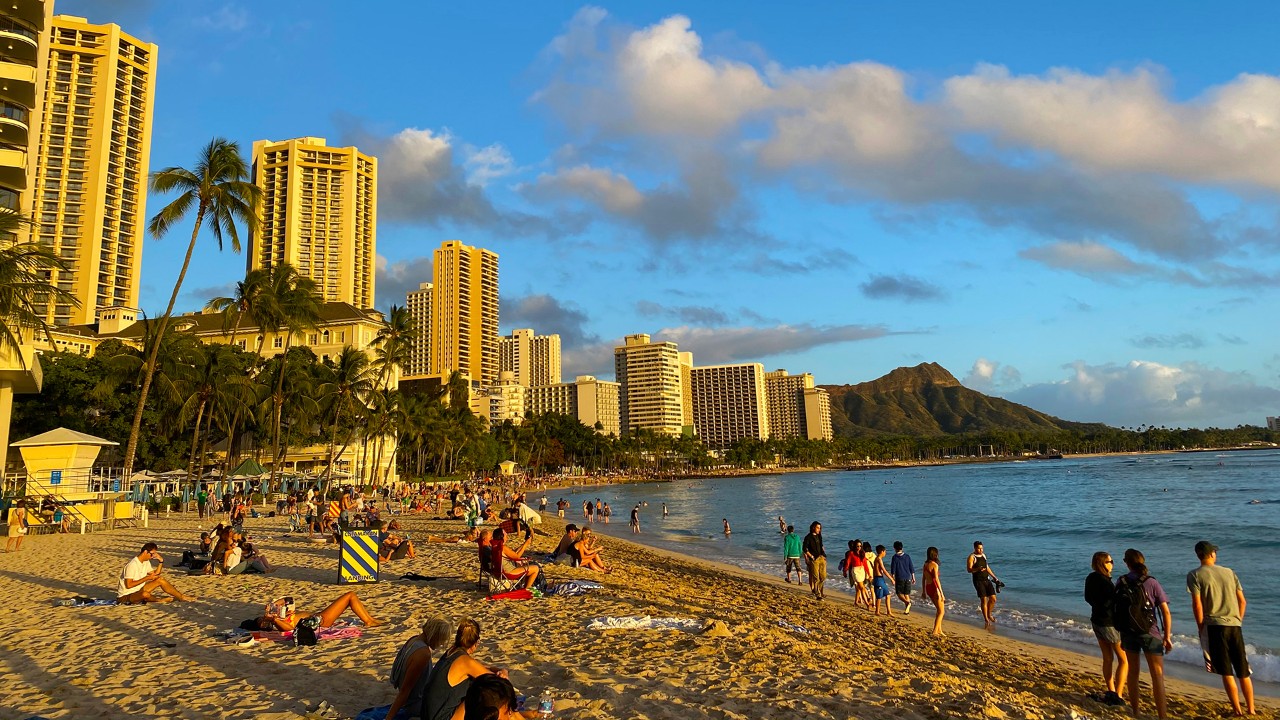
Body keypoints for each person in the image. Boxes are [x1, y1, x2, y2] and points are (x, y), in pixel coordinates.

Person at [1187, 540, 1255, 716]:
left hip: (1215, 626)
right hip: (1234, 624)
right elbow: (1242, 601)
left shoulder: (1195, 575)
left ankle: (1237, 711)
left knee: (1226, 671)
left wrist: (1200, 625)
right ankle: (1252, 709)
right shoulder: (1229, 572)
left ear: (1198, 555)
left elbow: (1197, 605)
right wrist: (1237, 618)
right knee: (1243, 670)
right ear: (1211, 554)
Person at [1117, 548, 1172, 720]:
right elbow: (1165, 611)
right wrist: (1167, 636)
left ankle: (1135, 712)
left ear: (1126, 562)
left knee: (1133, 672)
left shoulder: (1121, 581)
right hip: (1150, 631)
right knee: (1157, 675)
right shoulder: (1151, 582)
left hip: (1128, 631)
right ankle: (1162, 715)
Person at [421, 619, 508, 720]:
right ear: (476, 643)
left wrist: (500, 670)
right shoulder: (465, 662)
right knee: (486, 692)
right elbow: (498, 683)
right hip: (442, 717)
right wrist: (504, 672)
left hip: (427, 715)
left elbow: (481, 667)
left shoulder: (452, 652)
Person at [384, 617, 453, 720]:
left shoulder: (414, 639)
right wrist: (389, 718)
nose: (441, 644)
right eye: (441, 639)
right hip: (416, 705)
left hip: (413, 699)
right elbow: (405, 690)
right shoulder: (423, 654)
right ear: (435, 635)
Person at [1084, 551, 1127, 706]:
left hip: (1096, 620)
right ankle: (1118, 693)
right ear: (1104, 563)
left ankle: (1111, 689)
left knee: (1107, 657)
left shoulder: (1091, 577)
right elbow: (1113, 602)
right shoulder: (1106, 582)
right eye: (1110, 561)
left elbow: (1087, 598)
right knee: (1123, 659)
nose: (1112, 564)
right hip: (1109, 623)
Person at [258, 590, 383, 631]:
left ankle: (370, 619)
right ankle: (368, 621)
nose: (264, 618)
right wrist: (273, 620)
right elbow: (289, 629)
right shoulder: (279, 624)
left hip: (319, 617)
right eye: (262, 621)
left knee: (351, 596)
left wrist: (273, 604)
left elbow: (289, 599)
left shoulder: (279, 616)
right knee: (350, 596)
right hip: (320, 621)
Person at [118, 542, 195, 603]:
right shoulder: (132, 565)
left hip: (139, 590)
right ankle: (159, 600)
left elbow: (156, 574)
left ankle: (181, 597)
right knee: (145, 594)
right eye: (152, 554)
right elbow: (129, 585)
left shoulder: (145, 562)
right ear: (145, 552)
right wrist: (146, 578)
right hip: (126, 595)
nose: (152, 557)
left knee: (160, 580)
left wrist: (160, 561)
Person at [967, 540, 1000, 627]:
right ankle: (986, 619)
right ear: (975, 548)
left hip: (987, 579)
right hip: (978, 581)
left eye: (982, 548)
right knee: (983, 600)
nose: (981, 550)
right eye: (979, 549)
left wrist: (994, 577)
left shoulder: (983, 555)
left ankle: (989, 614)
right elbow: (969, 569)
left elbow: (987, 567)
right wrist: (977, 569)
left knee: (993, 599)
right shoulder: (972, 557)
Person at [922, 547, 945, 636]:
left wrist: (923, 591)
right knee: (941, 611)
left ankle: (939, 630)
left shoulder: (925, 565)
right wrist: (941, 593)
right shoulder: (934, 565)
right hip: (934, 588)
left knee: (939, 610)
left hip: (928, 587)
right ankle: (935, 631)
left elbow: (923, 578)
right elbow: (936, 580)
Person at [890, 541, 915, 614]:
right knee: (906, 594)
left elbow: (893, 569)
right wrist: (913, 577)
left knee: (899, 593)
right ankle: (907, 610)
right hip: (908, 577)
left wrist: (892, 578)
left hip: (899, 577)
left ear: (894, 548)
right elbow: (911, 567)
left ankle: (907, 602)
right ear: (902, 548)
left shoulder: (895, 557)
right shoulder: (907, 556)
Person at [802, 521, 826, 599]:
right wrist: (811, 556)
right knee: (816, 577)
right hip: (814, 559)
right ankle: (817, 593)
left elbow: (821, 545)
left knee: (823, 577)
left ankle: (818, 591)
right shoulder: (808, 537)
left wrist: (824, 555)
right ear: (813, 527)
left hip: (821, 557)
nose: (819, 529)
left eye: (820, 528)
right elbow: (804, 549)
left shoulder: (819, 536)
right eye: (817, 528)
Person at [871, 545, 893, 616]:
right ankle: (877, 611)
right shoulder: (878, 559)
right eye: (885, 551)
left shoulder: (878, 559)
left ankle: (889, 611)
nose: (885, 553)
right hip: (878, 579)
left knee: (888, 595)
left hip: (881, 579)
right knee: (879, 596)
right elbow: (884, 570)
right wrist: (891, 579)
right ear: (882, 551)